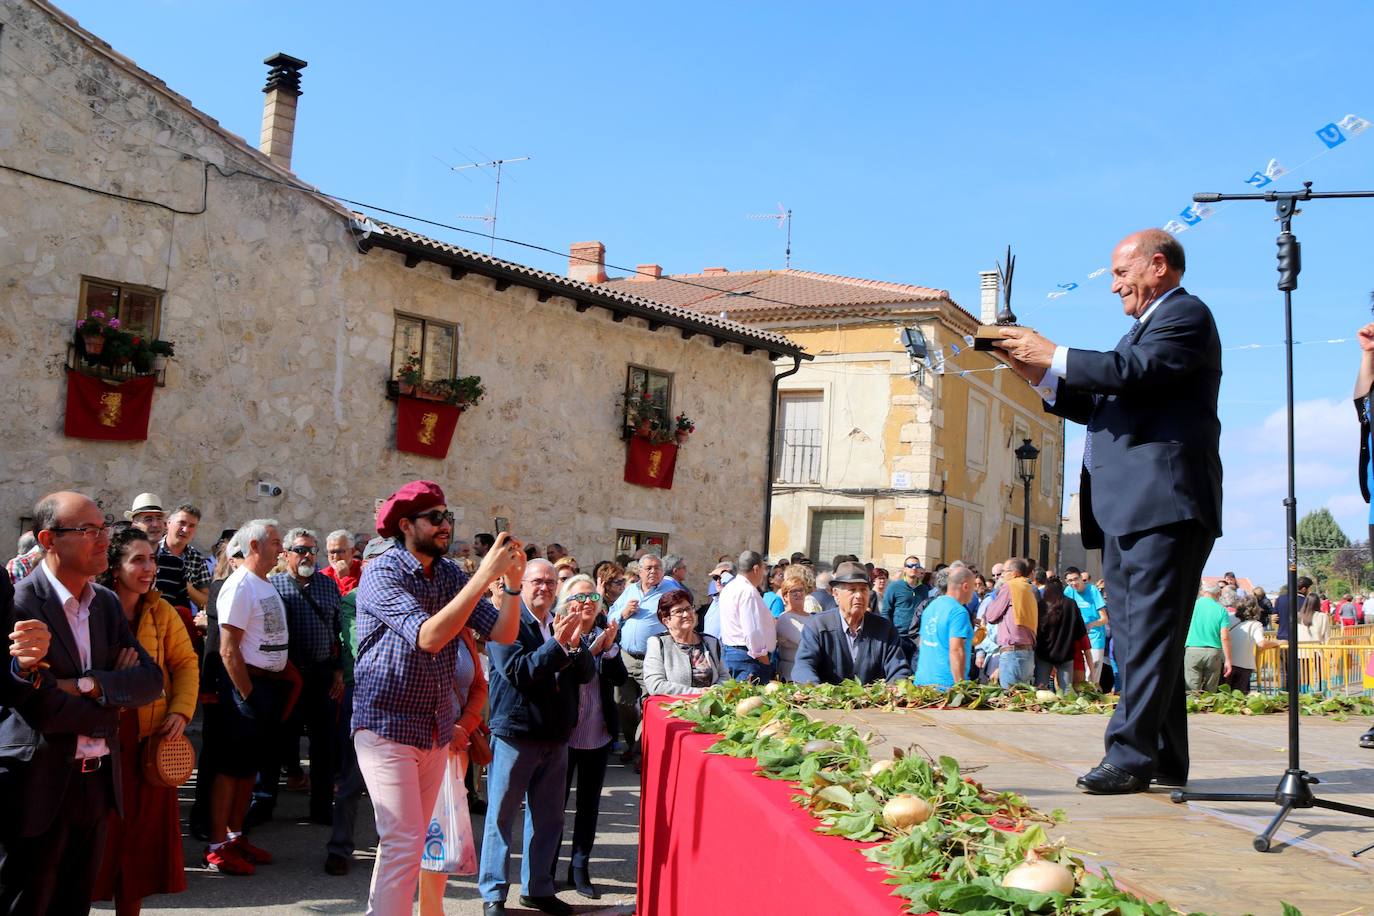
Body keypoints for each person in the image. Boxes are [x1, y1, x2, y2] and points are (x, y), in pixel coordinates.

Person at [996, 229, 1222, 795]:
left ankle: (1129, 756)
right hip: (1128, 509)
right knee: (1143, 634)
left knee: (1146, 634)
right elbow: (1100, 399)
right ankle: (1164, 757)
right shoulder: (1139, 332)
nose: (1115, 284)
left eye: (1122, 273)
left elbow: (1130, 374)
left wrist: (1054, 352)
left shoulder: (1185, 316)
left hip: (1162, 505)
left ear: (1159, 265)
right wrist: (1038, 374)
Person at [353, 481, 524, 915]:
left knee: (406, 843)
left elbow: (503, 632)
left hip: (433, 729)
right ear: (406, 525)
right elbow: (428, 637)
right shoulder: (382, 570)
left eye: (447, 516)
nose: (445, 525)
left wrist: (513, 585)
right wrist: (484, 575)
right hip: (386, 724)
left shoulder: (448, 574)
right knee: (405, 840)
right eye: (435, 517)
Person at [1, 491, 163, 914]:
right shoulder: (20, 603)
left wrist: (88, 685)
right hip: (39, 780)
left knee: (76, 903)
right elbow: (42, 708)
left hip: (96, 781)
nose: (102, 539)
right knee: (28, 902)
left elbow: (150, 681)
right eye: (88, 530)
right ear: (48, 540)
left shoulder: (104, 604)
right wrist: (111, 706)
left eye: (103, 528)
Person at [91, 526, 198, 915]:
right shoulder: (91, 608)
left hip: (149, 744)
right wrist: (118, 683)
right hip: (101, 742)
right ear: (115, 567)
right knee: (98, 839)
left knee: (139, 845)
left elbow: (185, 663)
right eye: (138, 559)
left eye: (151, 558)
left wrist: (181, 711)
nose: (149, 567)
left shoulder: (162, 610)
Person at [479, 559, 594, 916]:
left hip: (556, 736)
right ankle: (494, 895)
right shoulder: (507, 623)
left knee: (548, 820)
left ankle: (537, 888)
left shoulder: (558, 623)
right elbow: (519, 671)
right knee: (501, 817)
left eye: (549, 582)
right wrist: (558, 644)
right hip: (517, 734)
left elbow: (587, 674)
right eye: (537, 582)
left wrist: (574, 644)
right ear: (522, 585)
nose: (544, 587)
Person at [210, 520, 291, 876]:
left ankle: (235, 834)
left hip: (266, 687)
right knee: (230, 769)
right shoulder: (240, 585)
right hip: (247, 688)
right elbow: (229, 649)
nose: (281, 548)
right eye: (275, 542)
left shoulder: (263, 582)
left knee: (248, 769)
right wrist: (248, 693)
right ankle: (215, 846)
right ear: (255, 546)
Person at [265, 527, 344, 826]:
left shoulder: (328, 586)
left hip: (322, 673)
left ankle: (322, 808)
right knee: (277, 742)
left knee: (323, 745)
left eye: (312, 549)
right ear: (286, 554)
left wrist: (338, 669)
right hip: (286, 676)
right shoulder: (272, 586)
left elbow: (338, 631)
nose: (308, 554)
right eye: (300, 550)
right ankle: (265, 804)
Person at [550, 574, 622, 900]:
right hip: (563, 733)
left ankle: (580, 867)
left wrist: (608, 650)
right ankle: (546, 869)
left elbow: (619, 677)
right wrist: (587, 648)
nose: (587, 604)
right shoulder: (559, 634)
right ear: (566, 603)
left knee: (589, 806)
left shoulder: (605, 635)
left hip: (597, 732)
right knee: (554, 806)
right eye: (580, 598)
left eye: (593, 598)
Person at [326, 536, 392, 877]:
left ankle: (392, 851)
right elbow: (360, 643)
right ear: (365, 565)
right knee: (353, 777)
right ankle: (340, 847)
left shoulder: (403, 599)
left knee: (394, 781)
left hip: (397, 696)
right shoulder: (352, 601)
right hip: (363, 693)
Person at [416, 611, 490, 915]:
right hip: (420, 742)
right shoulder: (412, 625)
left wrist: (466, 724)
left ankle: (432, 910)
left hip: (456, 746)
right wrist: (449, 728)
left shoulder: (462, 632)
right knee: (410, 836)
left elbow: (477, 685)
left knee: (441, 836)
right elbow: (409, 688)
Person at [607, 551, 677, 764]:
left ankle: (640, 752)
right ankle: (632, 744)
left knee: (651, 705)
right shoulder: (630, 591)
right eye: (649, 568)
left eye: (657, 568)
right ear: (639, 571)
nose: (653, 571)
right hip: (627, 656)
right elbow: (610, 615)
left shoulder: (670, 591)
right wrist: (623, 614)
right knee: (623, 702)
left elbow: (681, 614)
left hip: (654, 658)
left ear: (663, 572)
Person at [792, 562, 910, 685]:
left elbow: (898, 669)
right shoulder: (817, 626)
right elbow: (803, 666)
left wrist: (896, 688)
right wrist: (816, 693)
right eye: (852, 590)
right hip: (829, 702)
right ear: (836, 594)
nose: (859, 595)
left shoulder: (885, 629)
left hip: (874, 703)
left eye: (863, 590)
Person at [643, 588, 725, 695]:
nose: (686, 614)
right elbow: (655, 684)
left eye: (688, 608)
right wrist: (698, 693)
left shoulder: (711, 642)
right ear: (666, 620)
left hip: (712, 704)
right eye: (678, 611)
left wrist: (714, 691)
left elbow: (724, 676)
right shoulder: (658, 643)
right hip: (675, 708)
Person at [912, 566, 977, 688]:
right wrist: (960, 687)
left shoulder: (931, 607)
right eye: (973, 588)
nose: (974, 594)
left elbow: (923, 642)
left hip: (922, 685)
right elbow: (956, 650)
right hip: (946, 687)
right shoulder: (959, 612)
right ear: (965, 586)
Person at [716, 550, 777, 683]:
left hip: (733, 652)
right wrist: (764, 660)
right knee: (750, 701)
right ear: (756, 569)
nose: (764, 574)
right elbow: (752, 631)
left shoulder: (729, 587)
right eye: (763, 569)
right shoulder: (747, 591)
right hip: (748, 658)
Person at [982, 558, 1038, 688]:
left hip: (1012, 651)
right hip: (1028, 651)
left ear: (1015, 573)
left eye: (1004, 571)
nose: (1001, 575)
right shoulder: (1030, 588)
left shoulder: (1010, 586)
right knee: (1023, 697)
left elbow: (991, 616)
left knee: (1010, 699)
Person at [1033, 578, 1087, 693]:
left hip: (1044, 652)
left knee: (1041, 688)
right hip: (1066, 653)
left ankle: (1040, 709)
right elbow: (1080, 632)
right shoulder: (1071, 604)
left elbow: (1035, 630)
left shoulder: (1041, 605)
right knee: (1066, 691)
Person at [1184, 584, 1233, 693]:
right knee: (1210, 693)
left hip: (1193, 650)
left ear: (1202, 592)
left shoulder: (1191, 606)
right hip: (1213, 652)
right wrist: (1228, 660)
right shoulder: (1221, 610)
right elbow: (1224, 637)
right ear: (1217, 594)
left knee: (1191, 692)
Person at [1063, 567, 1108, 684]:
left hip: (1094, 637)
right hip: (1077, 639)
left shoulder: (1093, 591)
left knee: (1091, 676)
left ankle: (1093, 696)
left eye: (1075, 579)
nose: (1073, 583)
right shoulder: (1068, 591)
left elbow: (1104, 619)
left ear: (1081, 578)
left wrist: (1090, 625)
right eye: (1070, 581)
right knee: (1078, 676)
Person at [1225, 596, 1277, 694]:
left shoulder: (1228, 617)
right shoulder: (1255, 624)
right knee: (1239, 698)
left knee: (1223, 695)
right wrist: (1276, 643)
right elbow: (1261, 643)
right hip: (1244, 665)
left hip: (1226, 663)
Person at [774, 566, 814, 681]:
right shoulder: (785, 619)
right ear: (785, 597)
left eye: (801, 590)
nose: (798, 594)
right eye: (793, 591)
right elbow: (806, 641)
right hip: (792, 674)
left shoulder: (812, 616)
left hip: (811, 671)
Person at [881, 555, 929, 638]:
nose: (914, 568)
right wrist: (890, 632)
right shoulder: (894, 587)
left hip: (918, 635)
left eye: (917, 566)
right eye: (910, 566)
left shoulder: (924, 589)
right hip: (899, 635)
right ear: (905, 569)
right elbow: (886, 611)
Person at [322, 529, 362, 595]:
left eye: (340, 552)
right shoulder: (323, 576)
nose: (335, 557)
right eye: (332, 552)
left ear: (352, 551)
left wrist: (345, 578)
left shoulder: (364, 570)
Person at [1272, 576, 1311, 642]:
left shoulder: (1280, 599)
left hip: (1282, 636)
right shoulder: (1307, 602)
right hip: (1300, 638)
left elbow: (1276, 618)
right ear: (1304, 589)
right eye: (1309, 589)